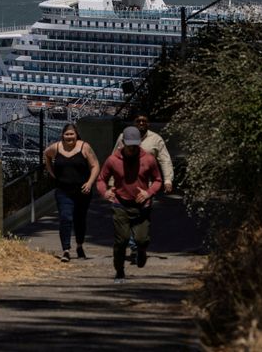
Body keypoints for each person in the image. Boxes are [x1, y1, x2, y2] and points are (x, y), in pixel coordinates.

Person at [98, 126, 162, 282]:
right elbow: (101, 179)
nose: (132, 148)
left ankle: (141, 251)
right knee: (122, 240)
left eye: (135, 144)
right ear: (123, 143)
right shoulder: (113, 160)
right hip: (120, 204)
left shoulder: (148, 159)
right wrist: (105, 192)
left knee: (142, 240)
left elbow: (157, 180)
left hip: (142, 206)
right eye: (129, 144)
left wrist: (148, 193)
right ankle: (119, 272)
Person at [113, 113, 174, 263]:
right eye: (138, 121)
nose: (141, 123)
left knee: (141, 215)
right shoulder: (123, 137)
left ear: (148, 124)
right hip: (125, 184)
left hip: (145, 186)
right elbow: (114, 159)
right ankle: (135, 248)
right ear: (134, 123)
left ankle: (139, 244)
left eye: (144, 121)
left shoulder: (156, 139)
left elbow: (165, 160)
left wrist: (167, 180)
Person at [43, 123, 100, 262]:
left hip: (82, 191)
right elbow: (46, 155)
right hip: (63, 190)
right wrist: (51, 172)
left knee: (79, 220)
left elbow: (95, 165)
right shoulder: (56, 147)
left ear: (76, 135)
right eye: (67, 134)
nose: (69, 137)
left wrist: (90, 182)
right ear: (62, 135)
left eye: (72, 134)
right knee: (65, 218)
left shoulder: (84, 147)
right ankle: (66, 250)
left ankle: (79, 245)